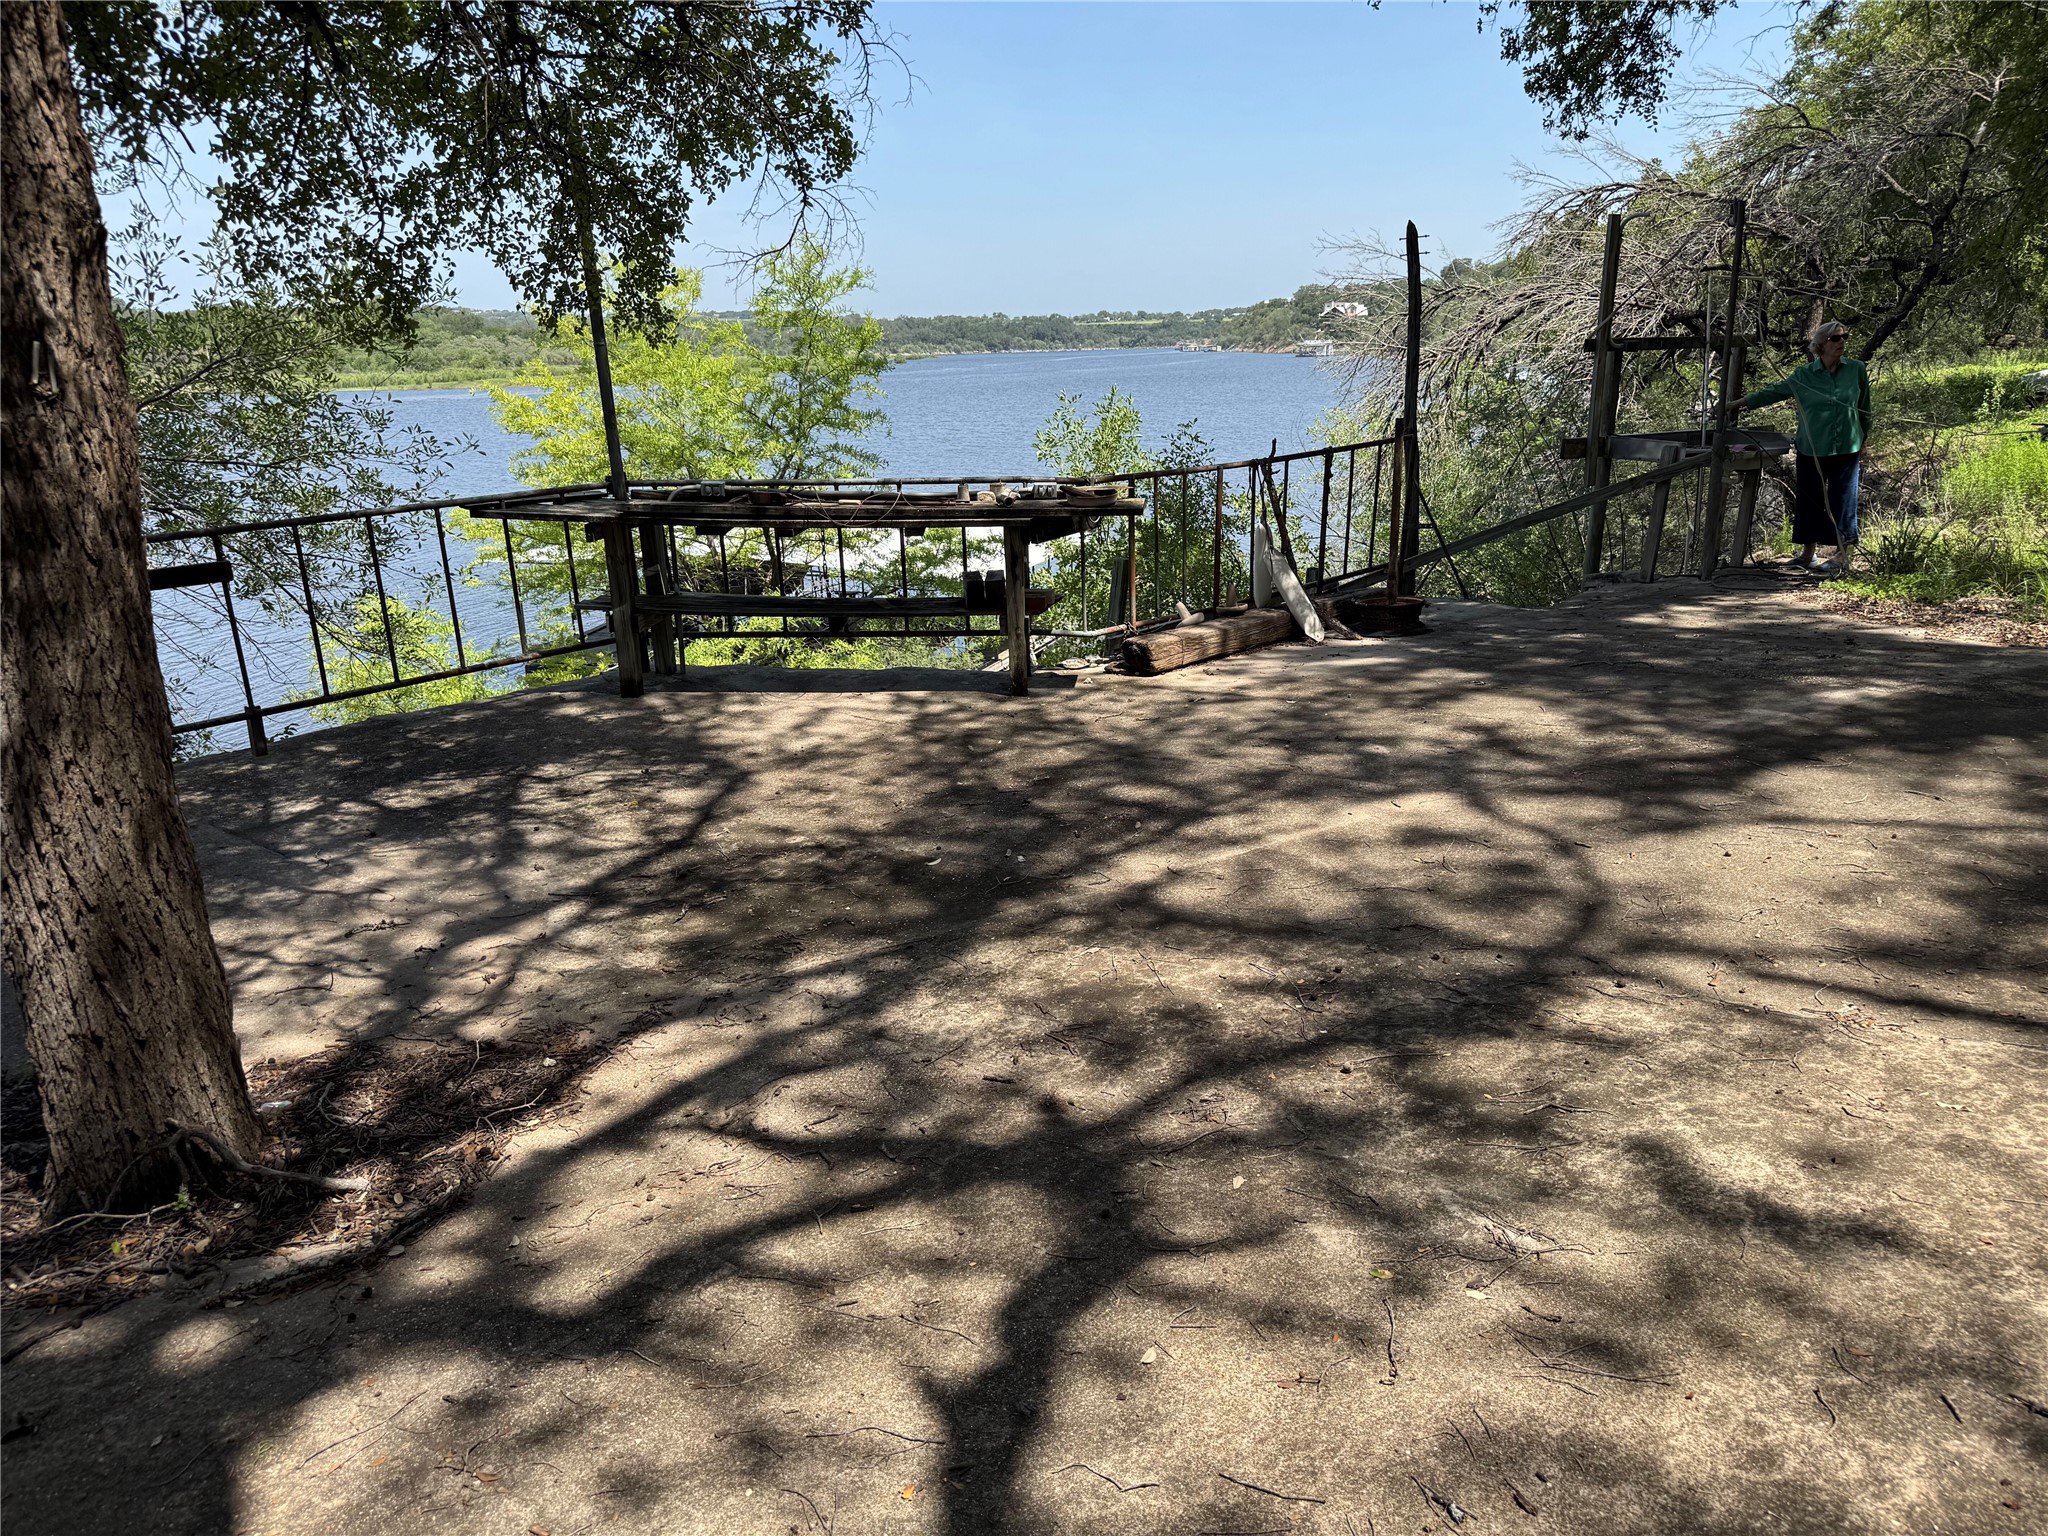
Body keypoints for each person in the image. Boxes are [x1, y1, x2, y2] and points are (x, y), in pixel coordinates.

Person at [1734, 319, 1872, 573]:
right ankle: (1808, 554)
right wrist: (1736, 404)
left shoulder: (1856, 370)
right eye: (1835, 338)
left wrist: (1864, 439)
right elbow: (1774, 391)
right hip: (1812, 447)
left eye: (1845, 337)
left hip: (1847, 446)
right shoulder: (1804, 376)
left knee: (1843, 500)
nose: (1842, 342)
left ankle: (1842, 555)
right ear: (1820, 346)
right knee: (1810, 500)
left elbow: (1865, 408)